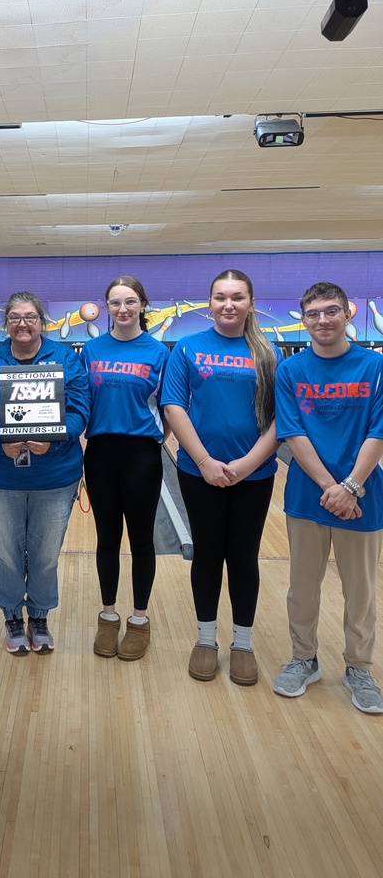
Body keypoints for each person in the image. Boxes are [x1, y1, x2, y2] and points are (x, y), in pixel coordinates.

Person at [162, 270, 279, 685]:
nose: (228, 304)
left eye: (237, 297)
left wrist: (246, 465)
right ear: (209, 303)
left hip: (256, 473)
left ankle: (243, 644)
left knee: (244, 555)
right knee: (208, 553)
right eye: (219, 297)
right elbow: (174, 406)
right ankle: (206, 639)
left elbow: (280, 419)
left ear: (250, 302)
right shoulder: (189, 348)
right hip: (198, 471)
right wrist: (206, 461)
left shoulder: (270, 353)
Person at [273, 281, 383, 714]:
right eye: (314, 313)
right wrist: (330, 488)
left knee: (362, 591)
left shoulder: (374, 367)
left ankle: (359, 667)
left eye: (331, 311)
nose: (323, 320)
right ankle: (304, 658)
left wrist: (351, 486)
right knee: (302, 587)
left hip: (364, 495)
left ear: (347, 314)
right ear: (304, 319)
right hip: (309, 495)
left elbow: (379, 431)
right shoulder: (291, 370)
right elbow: (292, 432)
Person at [0, 292, 90, 654]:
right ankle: (11, 618)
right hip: (2, 476)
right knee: (6, 551)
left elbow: (81, 409)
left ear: (42, 321)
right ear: (7, 322)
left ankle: (38, 616)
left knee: (46, 552)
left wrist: (55, 439)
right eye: (16, 317)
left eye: (31, 316)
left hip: (55, 475)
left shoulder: (66, 359)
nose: (23, 323)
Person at [81, 276, 170, 660]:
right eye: (115, 302)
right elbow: (81, 401)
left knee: (141, 540)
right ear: (106, 307)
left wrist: (157, 440)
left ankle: (138, 619)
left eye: (130, 301)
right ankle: (108, 616)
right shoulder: (90, 349)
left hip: (141, 454)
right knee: (106, 538)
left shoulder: (159, 352)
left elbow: (170, 408)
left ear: (142, 305)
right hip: (100, 452)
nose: (122, 309)